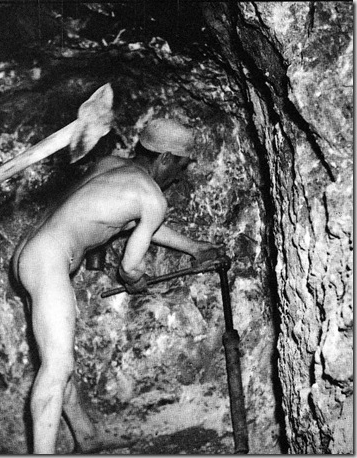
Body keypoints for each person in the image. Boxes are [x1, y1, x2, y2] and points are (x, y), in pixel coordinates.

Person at [12, 118, 225, 454]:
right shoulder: (151, 196)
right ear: (166, 158)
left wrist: (194, 248)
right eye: (180, 166)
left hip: (30, 250)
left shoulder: (109, 166)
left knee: (57, 357)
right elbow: (129, 266)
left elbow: (131, 220)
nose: (180, 175)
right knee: (58, 366)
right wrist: (135, 279)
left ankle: (87, 436)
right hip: (50, 259)